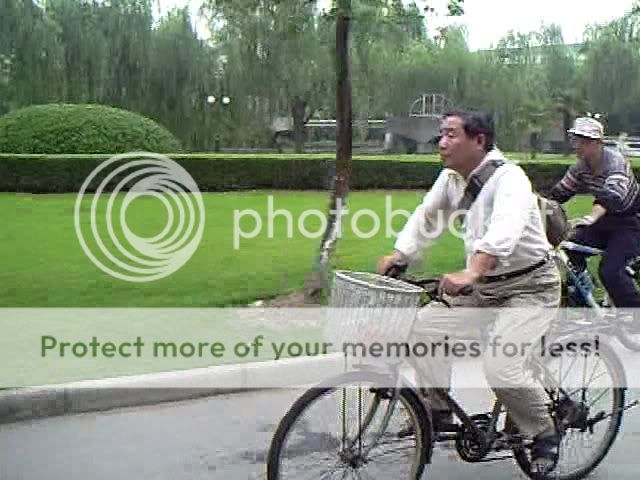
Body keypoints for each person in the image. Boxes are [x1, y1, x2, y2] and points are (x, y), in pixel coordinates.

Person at [377, 110, 562, 476]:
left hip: (530, 286)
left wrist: (472, 271)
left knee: (501, 366)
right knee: (421, 330)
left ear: (479, 140)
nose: (442, 142)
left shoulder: (510, 179)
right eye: (441, 134)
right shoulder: (451, 179)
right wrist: (401, 254)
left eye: (451, 135)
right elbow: (427, 217)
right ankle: (436, 410)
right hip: (484, 288)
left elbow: (504, 232)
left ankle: (544, 432)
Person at [547, 116, 640, 309]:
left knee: (611, 271)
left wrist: (590, 218)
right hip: (604, 221)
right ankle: (583, 300)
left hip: (631, 222)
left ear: (598, 143)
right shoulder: (580, 168)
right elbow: (558, 194)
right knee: (569, 247)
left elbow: (611, 197)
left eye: (585, 141)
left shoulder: (615, 162)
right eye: (577, 140)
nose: (578, 146)